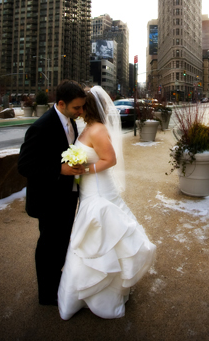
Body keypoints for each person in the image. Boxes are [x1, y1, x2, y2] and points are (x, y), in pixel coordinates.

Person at [58, 86, 156, 320]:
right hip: (88, 190)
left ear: (89, 106)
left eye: (82, 106)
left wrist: (85, 169)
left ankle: (106, 292)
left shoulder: (98, 129)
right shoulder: (85, 128)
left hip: (99, 191)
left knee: (102, 236)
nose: (79, 109)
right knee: (95, 238)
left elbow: (109, 159)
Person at [18, 80, 86, 306]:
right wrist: (60, 168)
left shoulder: (70, 122)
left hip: (67, 196)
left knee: (61, 243)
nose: (80, 112)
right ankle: (46, 296)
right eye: (77, 107)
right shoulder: (40, 127)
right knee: (48, 245)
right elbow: (25, 166)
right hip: (48, 199)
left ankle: (58, 285)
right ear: (61, 103)